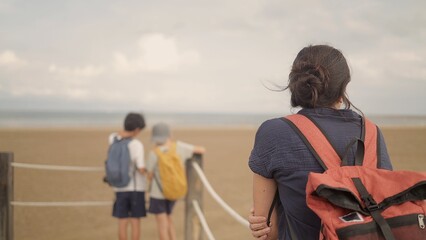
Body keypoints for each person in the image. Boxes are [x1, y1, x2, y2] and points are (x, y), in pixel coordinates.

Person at [248, 45, 393, 240]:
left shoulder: (274, 132)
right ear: (343, 88)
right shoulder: (372, 133)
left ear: (296, 84)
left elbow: (267, 230)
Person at [146, 122, 206, 240]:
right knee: (169, 219)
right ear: (169, 135)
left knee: (162, 225)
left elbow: (149, 174)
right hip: (173, 191)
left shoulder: (154, 152)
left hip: (158, 194)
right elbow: (201, 150)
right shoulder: (178, 147)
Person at [109, 112, 147, 240]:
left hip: (119, 187)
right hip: (135, 189)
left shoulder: (113, 138)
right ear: (137, 129)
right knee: (135, 221)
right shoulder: (136, 145)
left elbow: (116, 134)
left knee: (122, 221)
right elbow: (141, 168)